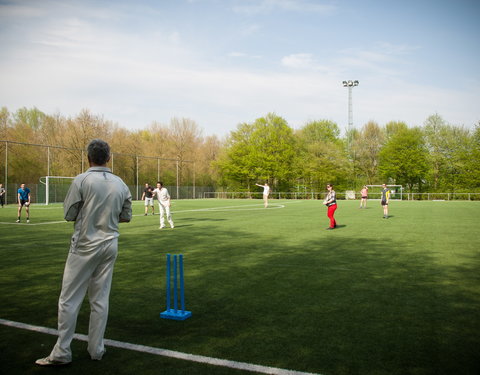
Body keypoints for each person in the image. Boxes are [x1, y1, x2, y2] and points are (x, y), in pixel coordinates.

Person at [35, 139, 132, 367]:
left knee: (68, 300)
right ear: (108, 158)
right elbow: (126, 216)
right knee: (100, 299)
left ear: (88, 157)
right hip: (110, 244)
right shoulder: (121, 183)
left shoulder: (82, 179)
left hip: (85, 244)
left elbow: (70, 213)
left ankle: (62, 352)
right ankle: (96, 349)